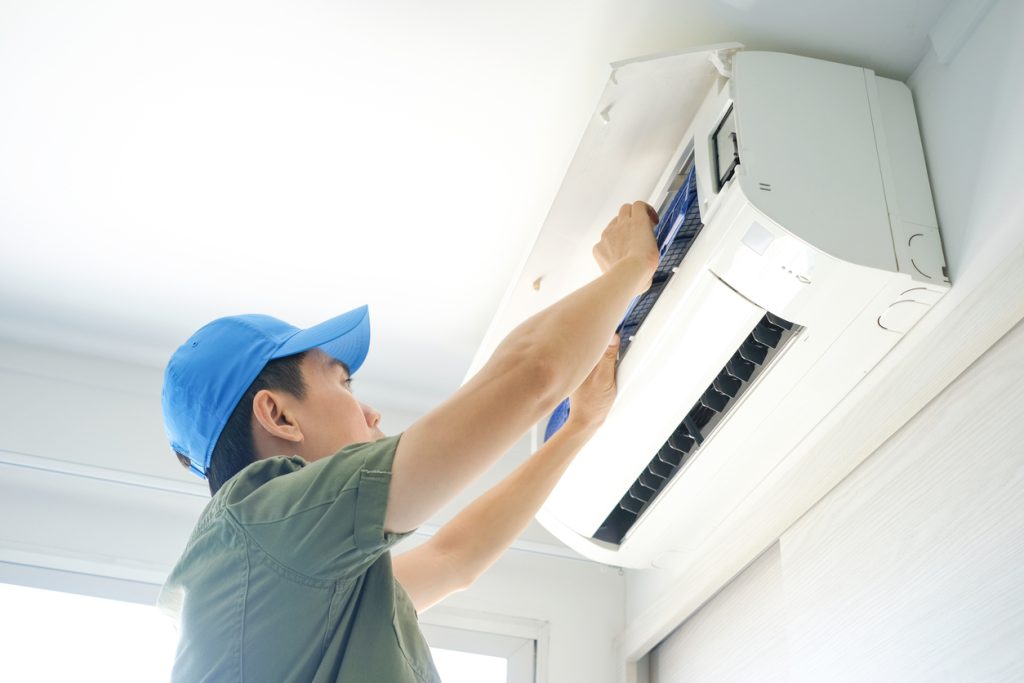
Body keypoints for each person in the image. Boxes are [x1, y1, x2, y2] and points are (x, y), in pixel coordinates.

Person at [157, 201, 661, 681]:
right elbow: (531, 374)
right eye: (342, 382)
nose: (370, 411)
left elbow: (454, 557)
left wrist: (579, 426)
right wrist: (630, 269)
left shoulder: (288, 580)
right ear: (278, 414)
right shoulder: (264, 525)